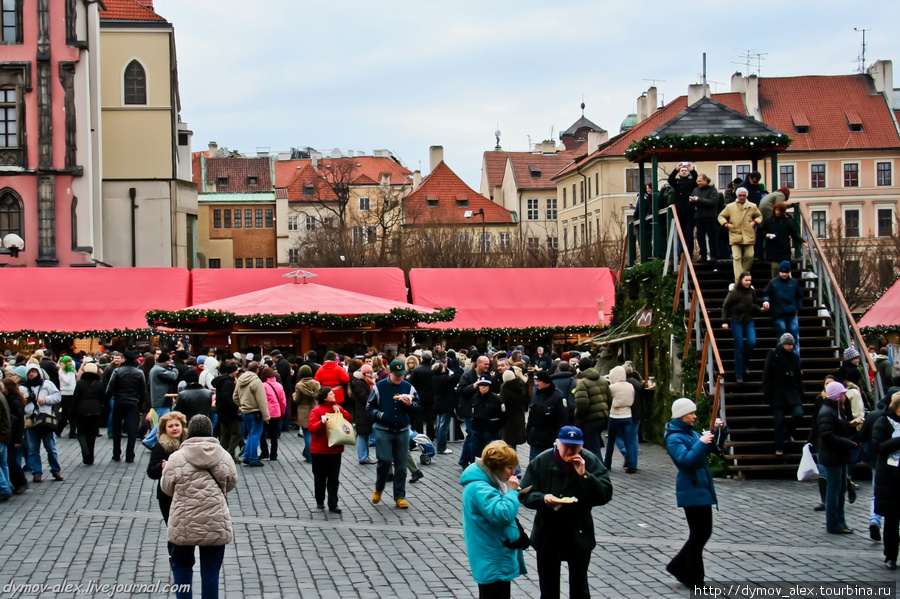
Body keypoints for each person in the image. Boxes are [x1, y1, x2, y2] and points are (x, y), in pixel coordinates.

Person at [519, 426, 613, 599]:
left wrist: (585, 476)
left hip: (578, 532)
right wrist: (543, 498)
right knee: (548, 589)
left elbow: (604, 494)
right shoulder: (542, 461)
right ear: (558, 443)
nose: (570, 451)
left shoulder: (590, 461)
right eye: (566, 446)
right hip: (548, 533)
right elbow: (525, 493)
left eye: (575, 447)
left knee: (580, 588)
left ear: (581, 447)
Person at [160, 414, 237, 599]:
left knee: (182, 568)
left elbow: (166, 488)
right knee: (211, 570)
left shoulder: (176, 457)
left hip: (183, 522)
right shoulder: (223, 456)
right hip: (215, 520)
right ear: (210, 432)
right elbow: (231, 483)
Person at [664, 398, 723, 588]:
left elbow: (711, 447)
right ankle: (694, 577)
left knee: (701, 533)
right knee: (700, 534)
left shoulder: (689, 432)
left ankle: (679, 567)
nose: (694, 416)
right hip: (692, 488)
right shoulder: (674, 437)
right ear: (682, 415)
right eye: (691, 413)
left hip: (700, 486)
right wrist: (701, 443)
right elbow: (685, 461)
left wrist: (720, 431)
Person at [460, 440, 526, 599]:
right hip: (493, 557)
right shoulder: (480, 487)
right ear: (496, 467)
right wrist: (511, 493)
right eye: (509, 468)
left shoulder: (486, 483)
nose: (513, 472)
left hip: (493, 554)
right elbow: (502, 515)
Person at [366, 360, 421, 509]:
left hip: (402, 430)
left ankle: (400, 496)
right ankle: (379, 487)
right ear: (389, 372)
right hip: (383, 429)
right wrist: (380, 415)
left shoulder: (408, 387)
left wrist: (411, 405)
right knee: (384, 460)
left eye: (402, 375)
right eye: (397, 375)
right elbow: (369, 407)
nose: (399, 378)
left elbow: (418, 406)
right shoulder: (379, 387)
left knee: (401, 465)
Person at [817, 381, 862, 534]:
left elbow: (835, 429)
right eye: (842, 393)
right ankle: (834, 523)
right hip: (833, 456)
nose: (845, 395)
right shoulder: (827, 412)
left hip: (838, 455)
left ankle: (840, 522)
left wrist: (849, 424)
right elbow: (828, 435)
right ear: (837, 395)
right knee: (834, 490)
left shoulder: (835, 409)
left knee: (840, 489)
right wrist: (849, 443)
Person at [307, 388, 352, 513]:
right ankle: (320, 501)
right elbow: (311, 428)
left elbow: (348, 419)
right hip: (319, 450)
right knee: (320, 478)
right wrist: (321, 423)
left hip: (335, 450)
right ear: (324, 397)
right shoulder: (316, 411)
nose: (334, 395)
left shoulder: (337, 407)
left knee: (334, 478)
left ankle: (333, 504)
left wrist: (340, 413)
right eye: (331, 394)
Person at [762, 334, 804, 456]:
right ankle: (779, 446)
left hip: (792, 390)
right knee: (779, 421)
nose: (790, 347)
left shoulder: (795, 357)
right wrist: (767, 391)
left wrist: (801, 391)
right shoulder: (773, 354)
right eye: (788, 344)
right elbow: (767, 373)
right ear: (782, 344)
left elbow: (798, 376)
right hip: (777, 392)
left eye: (792, 344)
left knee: (798, 413)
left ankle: (787, 432)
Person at [872, 392, 900, 570]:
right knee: (892, 518)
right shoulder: (883, 422)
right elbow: (878, 447)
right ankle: (890, 555)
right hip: (890, 478)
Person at [105, 350, 149, 464]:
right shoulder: (139, 373)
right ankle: (130, 455)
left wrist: (106, 402)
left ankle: (116, 453)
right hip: (133, 402)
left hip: (119, 402)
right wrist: (140, 404)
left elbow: (110, 389)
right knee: (132, 430)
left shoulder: (117, 371)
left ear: (124, 359)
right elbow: (143, 391)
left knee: (117, 428)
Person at [22, 363, 63, 482]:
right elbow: (19, 403)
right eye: (29, 372)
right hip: (31, 421)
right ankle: (36, 472)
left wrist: (46, 400)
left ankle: (56, 470)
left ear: (38, 372)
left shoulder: (47, 384)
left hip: (45, 420)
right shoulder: (23, 387)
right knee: (33, 449)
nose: (31, 374)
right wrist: (25, 401)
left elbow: (57, 396)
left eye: (34, 372)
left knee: (50, 448)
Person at [722, 270, 763, 383]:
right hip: (736, 320)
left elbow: (753, 304)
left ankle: (744, 364)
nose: (748, 282)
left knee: (751, 342)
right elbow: (725, 306)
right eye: (746, 280)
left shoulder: (751, 291)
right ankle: (738, 373)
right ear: (741, 280)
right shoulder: (734, 292)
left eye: (750, 280)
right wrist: (725, 321)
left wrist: (760, 309)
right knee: (739, 345)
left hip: (748, 319)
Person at [147, 410, 188, 525]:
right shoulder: (160, 446)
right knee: (173, 529)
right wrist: (161, 466)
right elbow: (151, 472)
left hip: (187, 493)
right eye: (170, 426)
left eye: (177, 425)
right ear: (165, 429)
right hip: (167, 494)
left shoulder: (189, 443)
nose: (174, 428)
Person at [718, 187, 763, 283]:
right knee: (736, 257)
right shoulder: (730, 206)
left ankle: (743, 274)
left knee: (750, 255)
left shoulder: (752, 206)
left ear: (747, 196)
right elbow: (721, 216)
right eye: (740, 195)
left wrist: (755, 222)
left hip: (748, 235)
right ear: (737, 196)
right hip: (735, 234)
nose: (742, 197)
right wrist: (726, 224)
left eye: (744, 195)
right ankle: (738, 280)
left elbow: (759, 216)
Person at [762, 262, 804, 358]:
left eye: (786, 272)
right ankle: (781, 359)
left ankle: (796, 361)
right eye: (782, 272)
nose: (784, 274)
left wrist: (798, 306)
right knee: (781, 339)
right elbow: (767, 294)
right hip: (778, 314)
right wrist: (766, 301)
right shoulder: (773, 283)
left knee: (795, 339)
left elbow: (799, 295)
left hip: (792, 314)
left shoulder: (794, 283)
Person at [525, 371, 568, 462]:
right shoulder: (536, 395)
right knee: (534, 464)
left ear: (546, 382)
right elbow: (531, 416)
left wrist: (557, 438)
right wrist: (528, 431)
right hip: (535, 438)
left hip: (549, 439)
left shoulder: (558, 396)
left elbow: (562, 420)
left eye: (539, 381)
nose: (536, 383)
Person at [234, 361, 269, 467]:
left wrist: (241, 405)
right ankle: (253, 458)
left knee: (250, 434)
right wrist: (266, 416)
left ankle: (247, 456)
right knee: (255, 435)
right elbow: (261, 400)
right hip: (255, 412)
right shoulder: (256, 381)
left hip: (245, 411)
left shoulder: (240, 379)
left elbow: (235, 396)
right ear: (257, 370)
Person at [573, 361, 611, 458]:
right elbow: (610, 399)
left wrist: (578, 417)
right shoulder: (602, 380)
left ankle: (598, 469)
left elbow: (582, 404)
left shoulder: (583, 383)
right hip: (602, 417)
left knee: (592, 448)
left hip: (590, 419)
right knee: (595, 444)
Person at [760, 200, 806, 276]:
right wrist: (766, 235)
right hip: (772, 248)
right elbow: (762, 232)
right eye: (776, 210)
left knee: (786, 268)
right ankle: (775, 284)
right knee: (775, 268)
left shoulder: (787, 221)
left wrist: (801, 241)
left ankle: (787, 283)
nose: (777, 212)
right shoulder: (769, 221)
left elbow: (794, 233)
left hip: (784, 248)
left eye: (779, 210)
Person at [71, 362, 105, 465]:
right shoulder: (100, 383)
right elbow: (102, 398)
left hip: (82, 410)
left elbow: (75, 398)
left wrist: (72, 412)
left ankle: (85, 453)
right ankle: (90, 456)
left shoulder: (80, 383)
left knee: (82, 432)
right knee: (92, 434)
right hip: (95, 410)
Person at [144, 352, 179, 449]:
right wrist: (174, 368)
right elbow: (173, 376)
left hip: (159, 399)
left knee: (162, 421)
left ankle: (150, 441)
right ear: (165, 361)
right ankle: (149, 441)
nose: (170, 362)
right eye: (169, 360)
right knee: (163, 422)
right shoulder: (159, 370)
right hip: (161, 399)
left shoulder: (155, 369)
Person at [604, 366, 636, 472]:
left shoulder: (612, 387)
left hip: (615, 416)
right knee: (629, 442)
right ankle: (632, 465)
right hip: (628, 415)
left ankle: (607, 463)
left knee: (611, 441)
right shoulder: (630, 386)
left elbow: (608, 399)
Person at [469, 376, 506, 461]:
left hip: (490, 432)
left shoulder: (496, 399)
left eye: (485, 385)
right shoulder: (475, 398)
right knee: (475, 453)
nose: (482, 387)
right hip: (477, 430)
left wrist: (494, 428)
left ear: (489, 386)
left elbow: (502, 417)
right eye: (481, 385)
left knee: (490, 455)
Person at [668, 161, 699, 260]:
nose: (684, 172)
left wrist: (692, 170)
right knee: (680, 233)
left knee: (689, 233)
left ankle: (689, 253)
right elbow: (670, 179)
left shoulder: (691, 182)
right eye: (682, 170)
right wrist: (676, 169)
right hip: (679, 211)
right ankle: (681, 253)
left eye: (686, 170)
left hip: (689, 211)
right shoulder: (676, 182)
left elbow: (696, 178)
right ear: (679, 172)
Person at [211, 362, 241, 462]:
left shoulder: (221, 380)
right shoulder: (228, 382)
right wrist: (236, 407)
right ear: (233, 371)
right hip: (229, 411)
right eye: (236, 370)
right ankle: (230, 454)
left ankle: (222, 455)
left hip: (222, 411)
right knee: (236, 432)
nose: (237, 371)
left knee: (224, 434)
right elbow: (227, 398)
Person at [432, 359, 462, 455]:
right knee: (443, 427)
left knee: (439, 424)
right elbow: (457, 377)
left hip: (438, 403)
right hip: (446, 404)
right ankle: (441, 448)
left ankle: (439, 444)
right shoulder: (444, 379)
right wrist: (454, 367)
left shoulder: (434, 378)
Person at [691, 174, 722, 262]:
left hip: (710, 217)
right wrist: (692, 200)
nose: (698, 183)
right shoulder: (696, 190)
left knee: (712, 237)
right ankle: (703, 255)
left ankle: (713, 256)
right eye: (697, 181)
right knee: (700, 237)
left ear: (706, 180)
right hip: (699, 217)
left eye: (700, 181)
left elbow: (712, 202)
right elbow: (694, 199)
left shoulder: (713, 190)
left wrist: (698, 200)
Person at [350, 363, 377, 464]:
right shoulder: (360, 383)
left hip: (364, 412)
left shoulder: (366, 382)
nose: (369, 374)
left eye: (370, 372)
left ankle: (365, 456)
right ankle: (363, 457)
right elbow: (365, 397)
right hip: (362, 412)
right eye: (367, 372)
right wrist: (374, 400)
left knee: (365, 434)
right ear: (363, 372)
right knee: (362, 435)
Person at [259, 366, 286, 461]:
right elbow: (283, 401)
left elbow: (261, 400)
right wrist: (282, 412)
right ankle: (273, 454)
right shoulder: (279, 385)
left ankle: (264, 452)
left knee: (262, 433)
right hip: (276, 412)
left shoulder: (263, 385)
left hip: (265, 412)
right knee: (274, 434)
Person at [293, 365, 319, 464]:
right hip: (314, 408)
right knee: (313, 433)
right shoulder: (316, 383)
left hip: (303, 410)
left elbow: (297, 399)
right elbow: (317, 396)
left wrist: (294, 395)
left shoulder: (299, 385)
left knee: (307, 433)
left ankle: (310, 455)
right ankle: (307, 453)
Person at [408, 351, 436, 439]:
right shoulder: (433, 370)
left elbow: (411, 383)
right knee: (430, 418)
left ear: (422, 359)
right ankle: (430, 436)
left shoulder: (417, 370)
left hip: (419, 395)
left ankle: (419, 437)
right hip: (431, 396)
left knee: (418, 418)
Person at [500, 369, 527, 454]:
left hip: (509, 420)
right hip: (519, 418)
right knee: (512, 445)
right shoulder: (520, 387)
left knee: (509, 446)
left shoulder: (505, 390)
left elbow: (503, 405)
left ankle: (515, 467)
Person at [56, 355, 77, 439]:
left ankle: (72, 433)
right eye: (68, 361)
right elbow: (67, 381)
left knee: (73, 414)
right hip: (65, 394)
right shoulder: (61, 371)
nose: (70, 363)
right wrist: (69, 372)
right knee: (65, 415)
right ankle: (57, 430)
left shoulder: (71, 370)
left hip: (72, 393)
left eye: (71, 361)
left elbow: (74, 382)